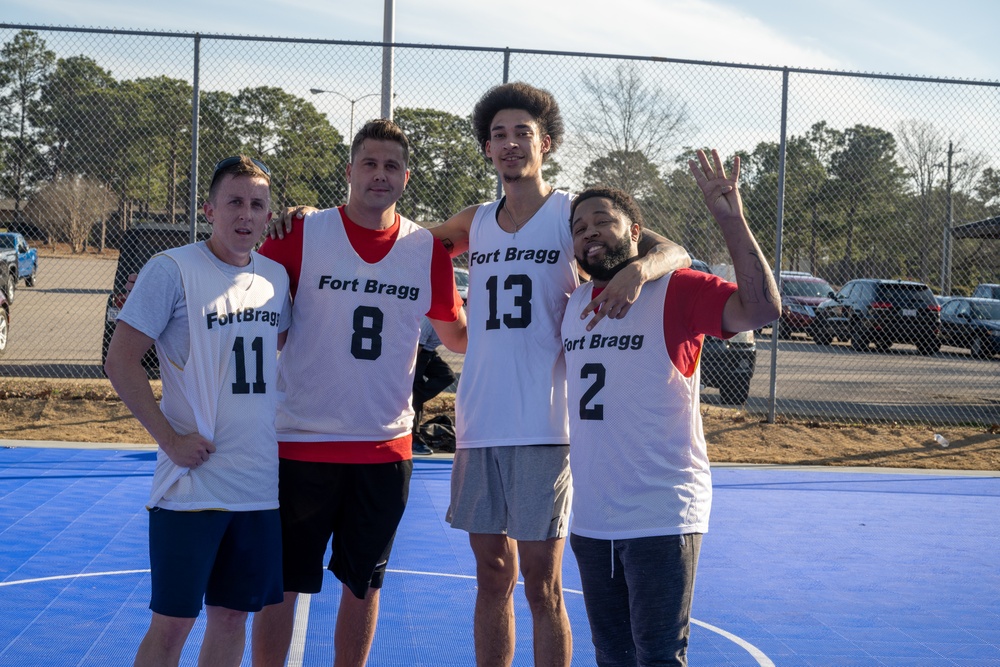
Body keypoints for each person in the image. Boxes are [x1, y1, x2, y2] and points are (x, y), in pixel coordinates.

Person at [269, 83, 690, 666]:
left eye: (522, 133)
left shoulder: (571, 218)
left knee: (542, 586)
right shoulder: (475, 223)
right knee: (491, 577)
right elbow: (391, 233)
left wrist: (640, 268)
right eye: (498, 135)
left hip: (543, 425)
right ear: (486, 150)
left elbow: (676, 250)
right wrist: (313, 217)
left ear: (546, 143)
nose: (511, 143)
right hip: (479, 422)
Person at [250, 119, 467, 667]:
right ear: (349, 171)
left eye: (391, 165)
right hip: (300, 441)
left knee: (363, 586)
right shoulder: (299, 233)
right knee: (279, 585)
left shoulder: (426, 250)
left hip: (383, 446)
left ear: (407, 177)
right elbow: (262, 326)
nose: (379, 174)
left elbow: (458, 336)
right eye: (369, 163)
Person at [561, 153, 781, 666]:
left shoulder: (676, 290)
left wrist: (731, 219)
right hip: (592, 517)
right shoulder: (573, 304)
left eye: (603, 222)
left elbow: (763, 309)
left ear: (637, 231)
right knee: (611, 655)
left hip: (660, 513)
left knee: (658, 656)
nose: (590, 232)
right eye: (578, 227)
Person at [104, 155, 291, 667]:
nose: (245, 214)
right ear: (209, 209)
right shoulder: (173, 269)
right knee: (172, 624)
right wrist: (169, 439)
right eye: (234, 202)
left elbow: (272, 349)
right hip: (192, 484)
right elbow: (119, 360)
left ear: (267, 214)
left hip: (256, 484)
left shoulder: (276, 278)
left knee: (232, 618)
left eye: (257, 204)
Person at [412, 315, 458, 455]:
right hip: (415, 353)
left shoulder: (458, 319)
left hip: (429, 352)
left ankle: (410, 399)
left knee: (447, 376)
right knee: (414, 388)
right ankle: (414, 439)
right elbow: (416, 348)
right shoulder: (429, 319)